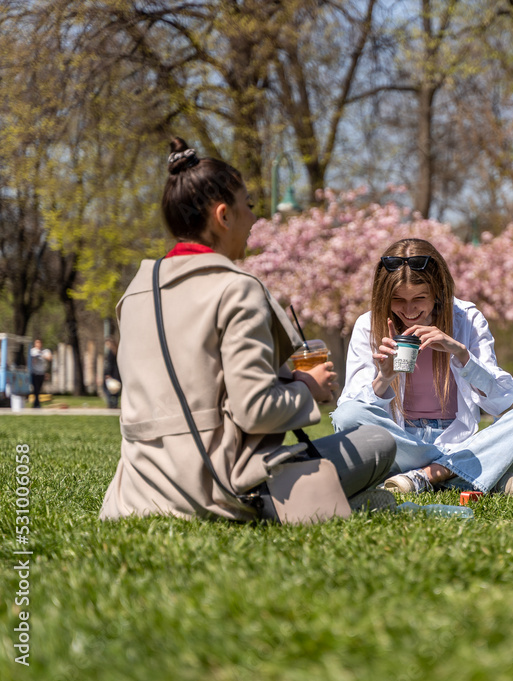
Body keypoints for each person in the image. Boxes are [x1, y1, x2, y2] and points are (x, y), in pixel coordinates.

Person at [100, 137, 396, 522]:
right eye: (249, 207)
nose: (255, 219)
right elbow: (254, 410)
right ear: (224, 215)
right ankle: (341, 503)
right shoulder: (236, 288)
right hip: (220, 492)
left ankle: (354, 502)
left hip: (136, 494)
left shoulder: (136, 291)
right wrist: (307, 387)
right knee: (378, 441)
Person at [332, 238, 513, 495]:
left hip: (459, 441)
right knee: (346, 417)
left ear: (438, 291)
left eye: (420, 298)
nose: (409, 310)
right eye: (398, 299)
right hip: (401, 441)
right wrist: (383, 379)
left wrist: (461, 354)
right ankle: (466, 474)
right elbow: (348, 412)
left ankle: (428, 475)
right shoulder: (368, 325)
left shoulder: (467, 319)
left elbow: (500, 401)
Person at [28, 339, 51, 408]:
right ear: (35, 344)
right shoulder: (32, 351)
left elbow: (49, 358)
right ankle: (36, 403)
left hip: (41, 372)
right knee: (36, 388)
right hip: (34, 372)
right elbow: (30, 360)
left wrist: (42, 355)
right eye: (37, 343)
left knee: (39, 388)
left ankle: (36, 403)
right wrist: (35, 358)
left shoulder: (45, 351)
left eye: (39, 343)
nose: (38, 344)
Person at [102, 338, 121, 409]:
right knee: (116, 389)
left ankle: (110, 403)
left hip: (111, 373)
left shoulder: (110, 352)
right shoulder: (117, 351)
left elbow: (109, 364)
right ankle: (115, 403)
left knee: (107, 389)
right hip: (117, 374)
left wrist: (107, 374)